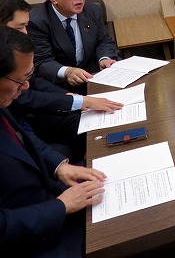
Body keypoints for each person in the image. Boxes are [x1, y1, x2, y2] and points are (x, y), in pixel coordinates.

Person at [0, 25, 106, 256]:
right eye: (20, 80)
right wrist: (61, 206)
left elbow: (21, 139)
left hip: (48, 198)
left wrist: (60, 167)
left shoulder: (4, 101)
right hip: (31, 236)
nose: (26, 87)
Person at [0, 0, 122, 162]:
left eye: (26, 26)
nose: (25, 33)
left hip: (39, 111)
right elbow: (26, 96)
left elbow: (34, 81)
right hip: (27, 122)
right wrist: (78, 101)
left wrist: (69, 97)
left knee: (101, 120)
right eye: (19, 27)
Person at [27, 0, 119, 94]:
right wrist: (67, 72)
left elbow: (103, 40)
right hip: (60, 83)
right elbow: (42, 61)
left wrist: (104, 58)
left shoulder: (92, 11)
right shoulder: (37, 21)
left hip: (93, 75)